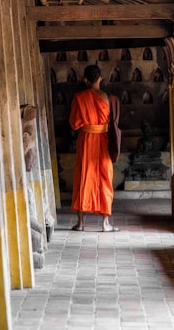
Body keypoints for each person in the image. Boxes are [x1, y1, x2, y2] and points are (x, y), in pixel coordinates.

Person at [69, 64, 119, 232]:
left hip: (87, 141)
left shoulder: (80, 97)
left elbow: (75, 124)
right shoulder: (108, 98)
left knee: (83, 177)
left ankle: (81, 223)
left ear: (85, 80)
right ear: (100, 79)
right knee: (105, 178)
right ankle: (105, 223)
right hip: (103, 141)